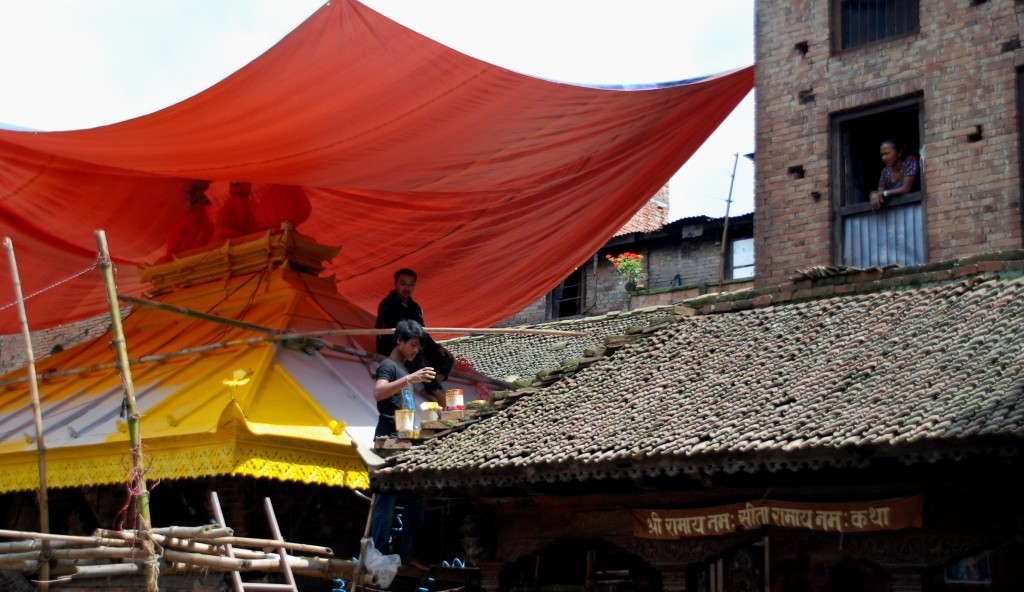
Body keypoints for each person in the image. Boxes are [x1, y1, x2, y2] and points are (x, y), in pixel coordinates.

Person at [370, 319, 435, 570]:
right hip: (387, 441)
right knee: (385, 502)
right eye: (413, 345)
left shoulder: (404, 369)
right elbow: (379, 393)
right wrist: (411, 378)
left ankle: (407, 555)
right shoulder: (388, 366)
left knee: (415, 499)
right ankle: (378, 555)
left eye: (418, 346)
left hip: (405, 441)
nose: (415, 350)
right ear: (399, 341)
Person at [374, 268, 454, 404]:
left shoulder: (415, 307)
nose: (407, 288)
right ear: (396, 284)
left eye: (411, 284)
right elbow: (384, 332)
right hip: (395, 346)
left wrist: (435, 346)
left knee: (446, 358)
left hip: (413, 345)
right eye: (403, 283)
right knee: (417, 357)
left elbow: (422, 331)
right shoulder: (387, 304)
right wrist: (407, 345)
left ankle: (430, 387)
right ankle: (438, 394)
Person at [869, 139, 919, 212]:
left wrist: (885, 193)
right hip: (895, 213)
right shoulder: (885, 171)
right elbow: (880, 192)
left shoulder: (909, 162)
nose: (883, 158)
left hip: (913, 209)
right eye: (882, 155)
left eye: (887, 153)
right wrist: (873, 194)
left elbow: (906, 188)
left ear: (899, 153)